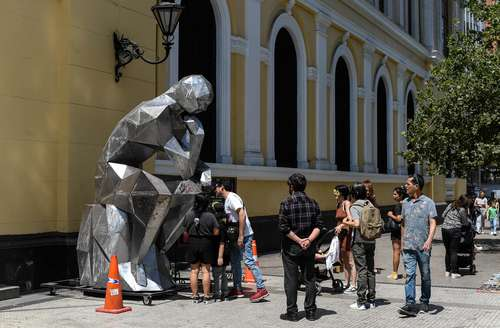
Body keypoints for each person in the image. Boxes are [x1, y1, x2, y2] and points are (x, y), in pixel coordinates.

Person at [214, 182, 269, 302]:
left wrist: (241, 235)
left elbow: (241, 214)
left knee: (249, 261)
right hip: (235, 236)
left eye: (216, 188)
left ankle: (261, 288)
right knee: (235, 261)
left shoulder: (232, 198)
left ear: (221, 187)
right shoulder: (228, 199)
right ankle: (237, 288)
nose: (214, 190)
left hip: (244, 235)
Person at [278, 173, 323, 321]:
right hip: (308, 248)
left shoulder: (286, 203)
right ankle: (310, 311)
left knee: (291, 279)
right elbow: (319, 226)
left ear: (291, 186)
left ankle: (292, 312)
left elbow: (283, 227)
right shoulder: (313, 202)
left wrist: (298, 240)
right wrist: (308, 240)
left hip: (291, 247)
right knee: (309, 278)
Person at [398, 174, 438, 317]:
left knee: (425, 275)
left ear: (416, 186)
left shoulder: (428, 203)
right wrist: (403, 241)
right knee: (409, 275)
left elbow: (433, 223)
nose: (405, 186)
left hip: (423, 246)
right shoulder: (405, 203)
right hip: (408, 246)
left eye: (408, 184)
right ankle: (410, 304)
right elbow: (403, 223)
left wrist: (429, 240)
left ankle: (425, 301)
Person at [343, 183, 377, 310]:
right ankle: (372, 300)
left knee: (361, 270)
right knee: (370, 270)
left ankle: (361, 301)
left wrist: (346, 222)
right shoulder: (370, 204)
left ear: (354, 194)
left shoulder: (355, 206)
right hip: (371, 240)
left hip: (360, 241)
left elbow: (357, 224)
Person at [184, 194, 219, 303]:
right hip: (206, 243)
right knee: (206, 271)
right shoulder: (210, 216)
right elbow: (216, 232)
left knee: (194, 271)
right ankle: (206, 296)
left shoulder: (189, 214)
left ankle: (194, 295)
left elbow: (185, 231)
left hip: (192, 242)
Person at [333, 185, 357, 293]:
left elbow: (350, 217)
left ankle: (353, 284)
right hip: (340, 235)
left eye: (336, 192)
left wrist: (341, 226)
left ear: (341, 193)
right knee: (344, 259)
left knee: (350, 260)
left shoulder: (347, 203)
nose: (334, 194)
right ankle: (347, 283)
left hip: (347, 232)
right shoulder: (338, 203)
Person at [441, 195, 469, 279]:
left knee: (447, 251)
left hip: (444, 229)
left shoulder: (450, 205)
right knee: (453, 251)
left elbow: (443, 215)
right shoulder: (462, 210)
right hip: (455, 230)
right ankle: (454, 272)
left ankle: (447, 271)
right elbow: (465, 223)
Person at [386, 186, 407, 280]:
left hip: (397, 231)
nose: (393, 196)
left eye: (395, 194)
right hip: (406, 230)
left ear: (400, 195)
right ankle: (408, 273)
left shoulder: (399, 205)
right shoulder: (407, 204)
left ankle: (394, 273)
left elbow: (399, 219)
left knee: (396, 252)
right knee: (405, 252)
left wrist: (391, 215)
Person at [212, 216, 230, 302]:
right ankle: (225, 293)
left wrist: (219, 257)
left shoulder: (218, 226)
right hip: (225, 252)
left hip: (218, 252)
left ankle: (217, 294)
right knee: (223, 273)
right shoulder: (224, 224)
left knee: (217, 274)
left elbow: (221, 242)